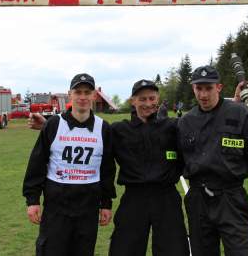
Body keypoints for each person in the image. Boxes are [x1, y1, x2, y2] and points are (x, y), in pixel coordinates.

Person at [178, 65, 248, 256]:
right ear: (193, 89)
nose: (203, 94)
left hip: (231, 197)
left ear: (219, 87)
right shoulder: (185, 122)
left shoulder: (239, 114)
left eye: (208, 88)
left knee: (242, 251)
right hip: (198, 200)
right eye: (199, 88)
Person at [22, 73, 116, 256]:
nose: (82, 97)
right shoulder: (54, 124)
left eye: (87, 92)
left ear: (94, 96)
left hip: (88, 208)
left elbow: (107, 169)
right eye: (78, 92)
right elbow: (37, 163)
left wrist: (106, 203)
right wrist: (32, 200)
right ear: (70, 94)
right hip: (57, 206)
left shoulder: (103, 128)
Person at [109, 79, 189, 256]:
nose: (148, 104)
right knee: (124, 249)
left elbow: (203, 126)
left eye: (152, 98)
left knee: (174, 249)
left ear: (158, 99)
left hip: (166, 197)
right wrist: (47, 126)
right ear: (133, 101)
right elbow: (89, 136)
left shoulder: (172, 127)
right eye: (142, 99)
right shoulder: (119, 130)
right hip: (134, 199)